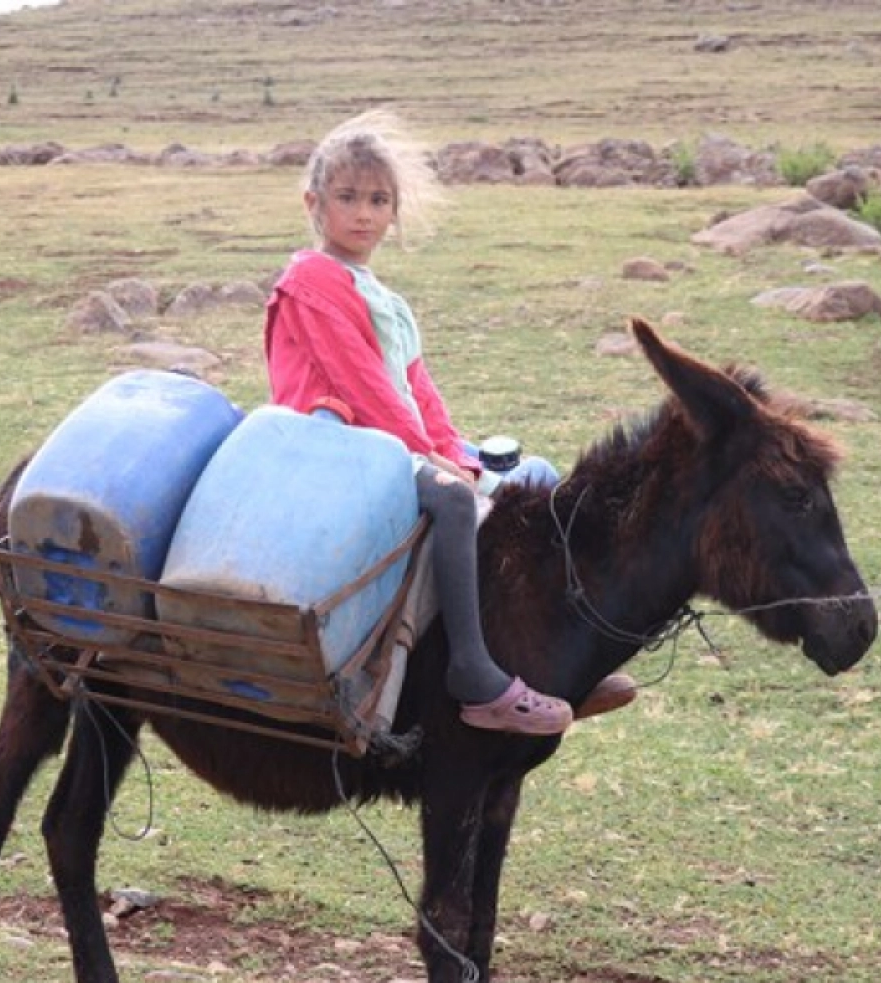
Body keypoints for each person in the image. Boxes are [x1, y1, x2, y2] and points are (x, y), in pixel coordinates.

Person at [264, 109, 636, 734]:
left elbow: (419, 392)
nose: (363, 214)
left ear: (394, 210)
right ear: (314, 203)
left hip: (393, 440)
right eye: (347, 197)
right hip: (339, 443)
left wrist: (453, 452)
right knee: (455, 503)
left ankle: (563, 660)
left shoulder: (387, 300)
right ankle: (471, 672)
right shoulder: (311, 281)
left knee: (536, 479)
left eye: (378, 200)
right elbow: (360, 383)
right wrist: (431, 460)